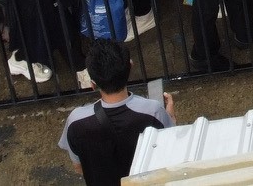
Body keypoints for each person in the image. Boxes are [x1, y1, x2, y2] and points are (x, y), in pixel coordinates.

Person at [58, 40, 173, 186]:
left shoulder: (76, 120)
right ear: (130, 67)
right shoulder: (153, 111)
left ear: (92, 84)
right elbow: (170, 151)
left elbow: (78, 166)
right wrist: (171, 118)